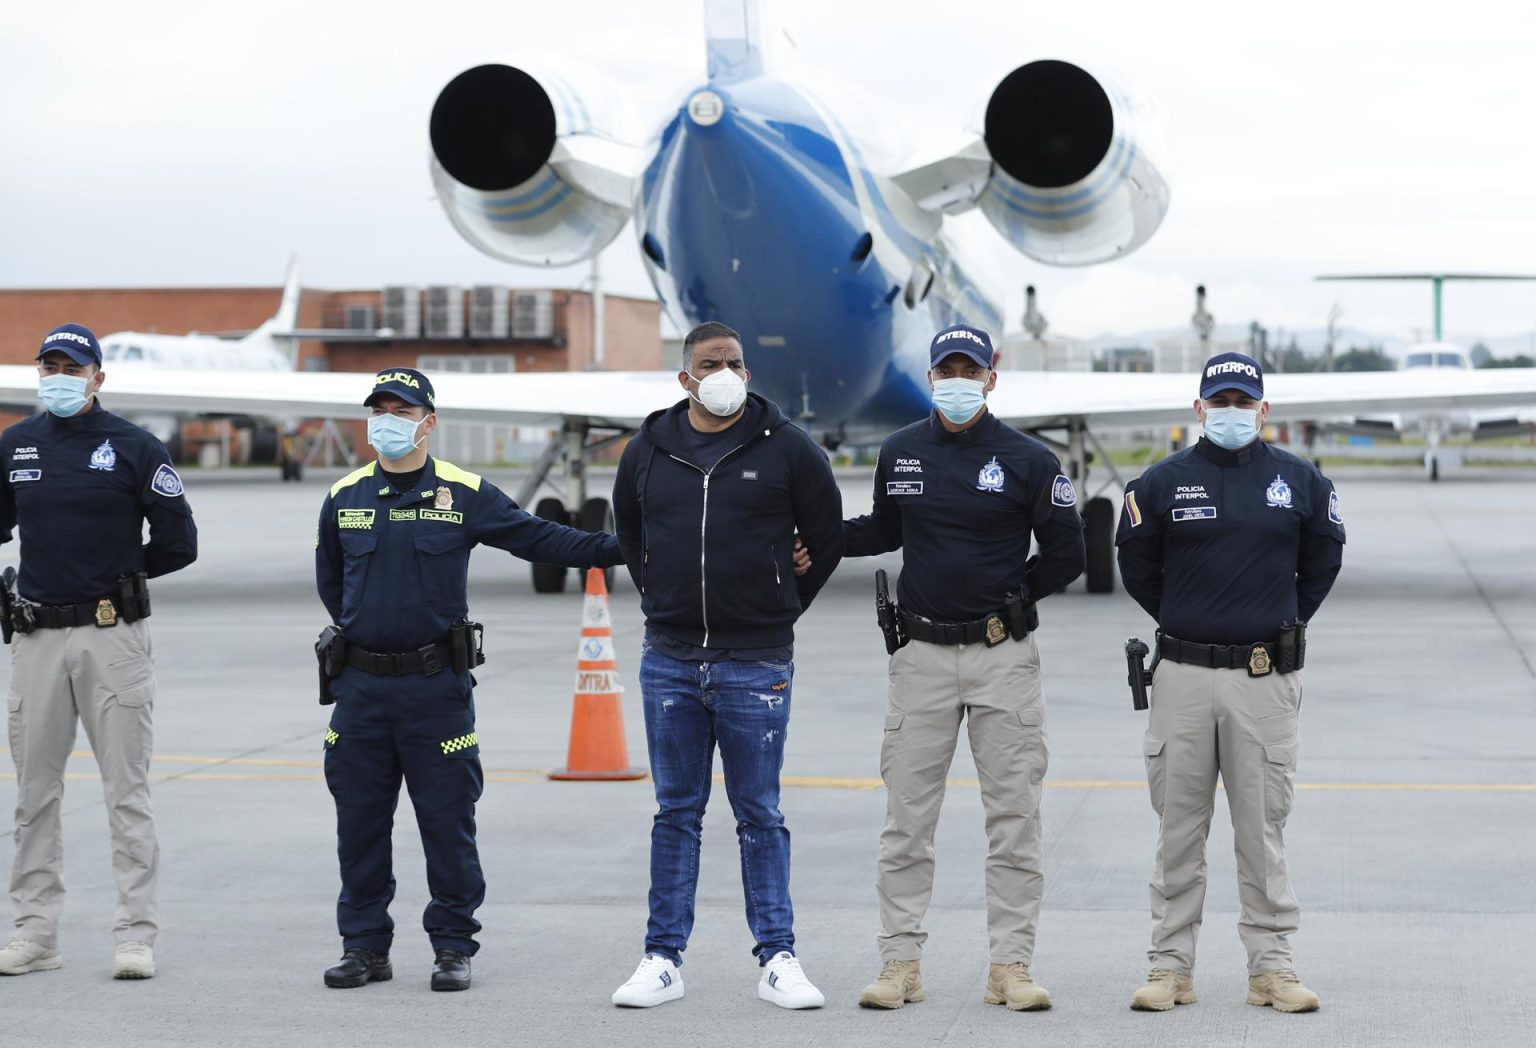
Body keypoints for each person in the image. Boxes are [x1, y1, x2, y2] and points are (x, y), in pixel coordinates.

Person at [315, 367, 623, 992]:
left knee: (448, 823)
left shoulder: (463, 492)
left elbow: (544, 539)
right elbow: (331, 583)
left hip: (436, 692)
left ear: (429, 422)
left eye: (402, 411)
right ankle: (364, 947)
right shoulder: (344, 495)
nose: (388, 421)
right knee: (359, 827)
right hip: (361, 691)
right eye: (379, 409)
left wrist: (629, 546)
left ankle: (453, 946)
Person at [837, 324, 1085, 1012]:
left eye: (968, 370)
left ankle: (1011, 966)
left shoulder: (1029, 459)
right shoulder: (901, 450)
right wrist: (819, 540)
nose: (956, 380)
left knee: (1014, 817)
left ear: (990, 378)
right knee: (906, 819)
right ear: (930, 376)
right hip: (919, 655)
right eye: (945, 369)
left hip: (1001, 656)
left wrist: (1017, 597)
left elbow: (1069, 551)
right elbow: (887, 527)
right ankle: (900, 963)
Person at [607, 321, 844, 1010]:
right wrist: (663, 598)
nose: (725, 372)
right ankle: (662, 958)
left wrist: (783, 602)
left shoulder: (788, 449)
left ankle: (778, 956)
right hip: (671, 660)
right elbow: (631, 530)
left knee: (759, 813)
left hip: (757, 660)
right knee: (675, 812)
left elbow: (825, 535)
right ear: (685, 377)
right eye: (711, 362)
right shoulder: (649, 449)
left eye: (735, 362)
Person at [1116, 351, 1344, 1013]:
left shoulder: (1302, 483)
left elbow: (1322, 561)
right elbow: (1138, 566)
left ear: (1264, 411)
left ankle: (1272, 969)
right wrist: (1187, 619)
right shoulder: (1159, 484)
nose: (1232, 413)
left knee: (1262, 830)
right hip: (1183, 679)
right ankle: (1170, 969)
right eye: (1221, 403)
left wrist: (1280, 621)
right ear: (1198, 409)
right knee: (1178, 832)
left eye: (1245, 403)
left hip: (1263, 681)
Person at [0, 324, 197, 980]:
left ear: (97, 378)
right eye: (49, 365)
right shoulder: (16, 445)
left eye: (72, 366)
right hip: (35, 638)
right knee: (34, 792)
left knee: (126, 791)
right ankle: (35, 933)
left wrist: (122, 574)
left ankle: (135, 935)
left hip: (112, 637)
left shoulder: (135, 448)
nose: (58, 376)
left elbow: (179, 541)